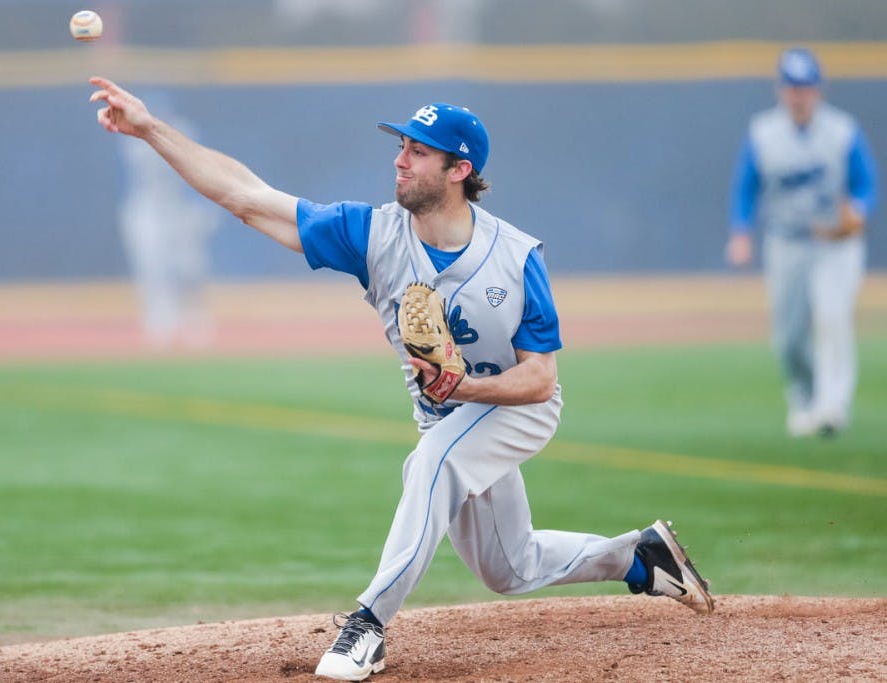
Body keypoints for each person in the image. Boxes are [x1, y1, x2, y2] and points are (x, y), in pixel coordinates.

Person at [88, 78, 715, 681]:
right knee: (509, 567)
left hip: (515, 408)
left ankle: (368, 623)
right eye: (401, 146)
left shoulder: (516, 256)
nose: (400, 160)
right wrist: (148, 130)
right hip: (449, 416)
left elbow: (541, 383)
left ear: (458, 170)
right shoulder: (374, 234)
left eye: (418, 151)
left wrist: (465, 387)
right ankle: (639, 558)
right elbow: (248, 198)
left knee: (431, 464)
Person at [726, 47, 879, 438]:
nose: (799, 96)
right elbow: (746, 187)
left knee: (832, 319)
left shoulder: (842, 129)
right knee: (789, 336)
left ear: (819, 89)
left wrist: (858, 209)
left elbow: (865, 182)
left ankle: (832, 407)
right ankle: (804, 398)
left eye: (806, 88)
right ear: (781, 90)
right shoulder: (763, 132)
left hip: (834, 243)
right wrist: (741, 231)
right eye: (793, 88)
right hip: (787, 242)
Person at [116, 94, 222, 349]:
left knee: (190, 267)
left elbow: (203, 170)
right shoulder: (131, 139)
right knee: (153, 267)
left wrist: (204, 207)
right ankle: (160, 323)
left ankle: (195, 322)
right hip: (148, 208)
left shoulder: (185, 132)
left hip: (180, 207)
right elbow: (124, 179)